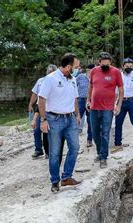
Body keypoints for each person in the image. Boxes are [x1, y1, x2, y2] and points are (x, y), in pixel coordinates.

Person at [38, 53, 82, 193]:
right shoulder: (50, 79)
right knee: (55, 152)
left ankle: (66, 177)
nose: (78, 69)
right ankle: (55, 181)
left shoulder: (73, 79)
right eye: (76, 67)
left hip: (70, 119)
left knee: (75, 147)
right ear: (68, 67)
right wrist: (43, 120)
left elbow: (75, 98)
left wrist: (77, 114)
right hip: (54, 119)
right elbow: (42, 99)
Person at [87, 52, 124, 169]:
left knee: (105, 133)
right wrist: (88, 100)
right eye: (103, 65)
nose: (105, 67)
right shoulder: (94, 71)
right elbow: (91, 87)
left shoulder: (115, 72)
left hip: (107, 108)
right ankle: (99, 152)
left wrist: (118, 105)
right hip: (94, 107)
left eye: (107, 65)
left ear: (111, 63)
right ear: (99, 62)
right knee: (94, 132)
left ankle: (103, 157)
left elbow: (121, 90)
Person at [111, 58, 133, 153]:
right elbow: (116, 92)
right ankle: (118, 144)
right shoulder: (118, 76)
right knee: (118, 122)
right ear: (123, 66)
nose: (129, 68)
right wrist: (113, 103)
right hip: (121, 102)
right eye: (127, 66)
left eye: (130, 66)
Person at [28, 64, 58, 158]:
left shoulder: (57, 82)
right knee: (36, 130)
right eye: (49, 72)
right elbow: (35, 94)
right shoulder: (41, 81)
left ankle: (48, 151)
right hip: (39, 108)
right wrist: (30, 104)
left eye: (52, 72)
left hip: (51, 110)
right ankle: (38, 150)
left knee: (46, 131)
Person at [76, 64, 93, 147]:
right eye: (90, 70)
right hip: (81, 100)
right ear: (87, 70)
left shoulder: (95, 78)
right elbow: (74, 86)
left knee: (90, 121)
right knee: (76, 119)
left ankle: (89, 140)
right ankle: (74, 140)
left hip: (91, 101)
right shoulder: (80, 77)